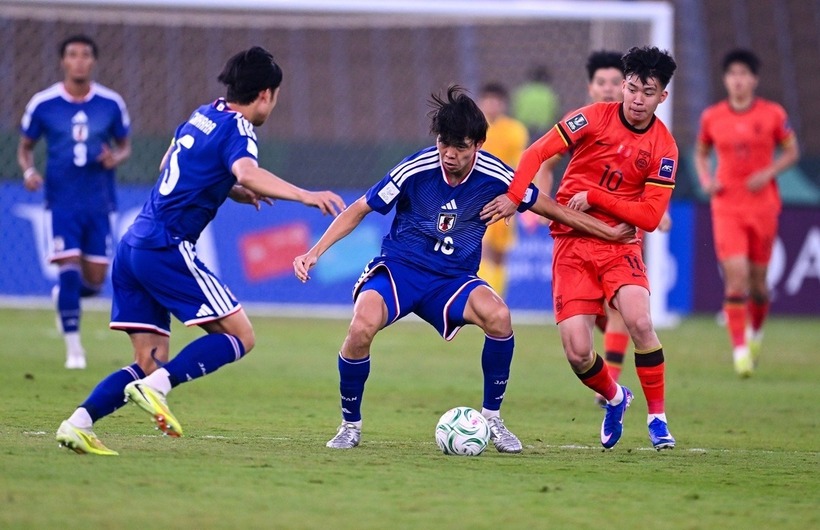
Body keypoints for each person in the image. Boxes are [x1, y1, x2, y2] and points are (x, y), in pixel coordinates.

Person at [293, 85, 634, 452]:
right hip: (401, 269)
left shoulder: (497, 175)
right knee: (361, 326)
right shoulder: (415, 168)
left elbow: (551, 208)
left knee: (499, 317)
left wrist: (608, 232)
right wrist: (315, 252)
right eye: (444, 144)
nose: (449, 154)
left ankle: (493, 419)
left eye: (460, 147)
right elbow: (360, 208)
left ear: (478, 145)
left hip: (452, 279)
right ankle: (350, 425)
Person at [55, 46, 346, 455]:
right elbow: (247, 171)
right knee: (240, 335)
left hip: (134, 244)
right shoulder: (239, 127)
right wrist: (304, 194)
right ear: (266, 94)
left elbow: (168, 165)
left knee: (149, 360)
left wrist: (229, 188)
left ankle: (78, 423)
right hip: (166, 246)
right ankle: (157, 388)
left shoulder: (202, 114)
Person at [481, 46, 679, 451]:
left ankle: (657, 419)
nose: (637, 99)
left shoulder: (664, 148)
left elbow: (649, 215)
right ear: (623, 87)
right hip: (571, 243)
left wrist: (596, 196)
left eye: (648, 92)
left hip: (620, 245)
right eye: (632, 89)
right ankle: (616, 397)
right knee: (577, 352)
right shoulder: (591, 117)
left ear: (662, 96)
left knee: (640, 321)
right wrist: (515, 197)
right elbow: (537, 152)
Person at [18, 34, 132, 370]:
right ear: (63, 61)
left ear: (93, 61)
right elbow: (25, 147)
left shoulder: (110, 103)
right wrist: (29, 172)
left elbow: (125, 145)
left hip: (99, 202)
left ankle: (64, 300)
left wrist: (115, 157)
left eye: (85, 55)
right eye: (72, 54)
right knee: (68, 270)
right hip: (61, 201)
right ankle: (74, 350)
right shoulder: (44, 103)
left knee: (94, 282)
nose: (79, 61)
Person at [694, 49, 799, 378]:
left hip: (763, 206)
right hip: (726, 206)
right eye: (732, 74)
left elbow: (792, 151)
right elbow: (700, 153)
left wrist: (768, 173)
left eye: (743, 74)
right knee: (736, 277)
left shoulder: (773, 114)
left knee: (759, 285)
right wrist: (706, 180)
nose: (737, 80)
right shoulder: (712, 117)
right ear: (725, 79)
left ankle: (756, 333)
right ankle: (739, 351)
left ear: (754, 79)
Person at [476, 82, 529, 297]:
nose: (492, 105)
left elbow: (521, 163)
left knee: (499, 253)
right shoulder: (474, 127)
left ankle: (495, 296)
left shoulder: (515, 130)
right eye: (488, 100)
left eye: (496, 101)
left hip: (504, 196)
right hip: (474, 195)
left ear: (503, 104)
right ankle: (479, 295)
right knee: (480, 246)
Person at [511, 65, 560, 139]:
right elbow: (555, 113)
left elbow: (514, 110)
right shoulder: (549, 93)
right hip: (542, 129)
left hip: (523, 128)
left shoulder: (523, 91)